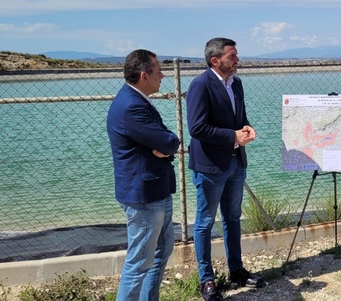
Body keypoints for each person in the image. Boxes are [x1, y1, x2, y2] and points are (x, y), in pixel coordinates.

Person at [187, 37, 264, 301]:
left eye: (237, 55)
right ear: (215, 60)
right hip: (210, 166)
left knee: (232, 218)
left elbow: (238, 118)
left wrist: (247, 127)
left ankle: (236, 270)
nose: (238, 59)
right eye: (233, 56)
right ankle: (206, 281)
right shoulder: (200, 85)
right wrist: (232, 136)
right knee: (205, 223)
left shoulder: (237, 84)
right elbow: (197, 128)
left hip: (235, 163)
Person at [106, 49, 181, 301]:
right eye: (158, 71)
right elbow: (170, 141)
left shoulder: (136, 100)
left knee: (162, 250)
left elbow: (164, 139)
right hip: (144, 195)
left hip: (156, 190)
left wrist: (163, 143)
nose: (163, 76)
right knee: (139, 263)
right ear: (143, 76)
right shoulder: (131, 107)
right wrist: (165, 143)